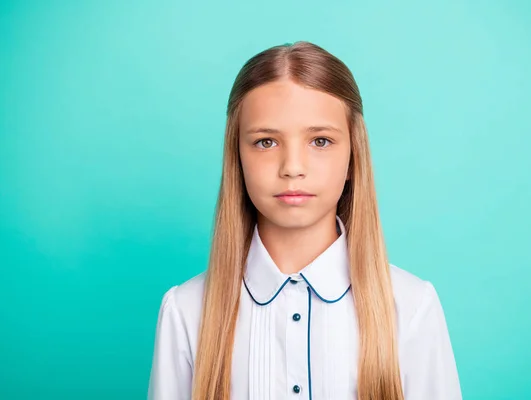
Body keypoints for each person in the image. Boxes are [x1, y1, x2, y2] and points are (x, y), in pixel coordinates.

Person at [148, 41, 462, 400]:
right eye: (266, 142)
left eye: (321, 141)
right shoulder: (186, 309)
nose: (293, 168)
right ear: (237, 158)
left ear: (353, 158)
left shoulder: (411, 306)